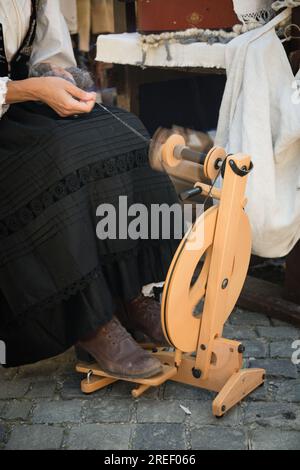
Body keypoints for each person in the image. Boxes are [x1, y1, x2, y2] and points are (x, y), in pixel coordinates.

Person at [0, 0, 179, 378]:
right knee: (60, 154)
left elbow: (47, 56)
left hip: (21, 103)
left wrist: (61, 78)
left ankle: (129, 293)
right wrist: (31, 89)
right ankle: (91, 322)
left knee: (121, 131)